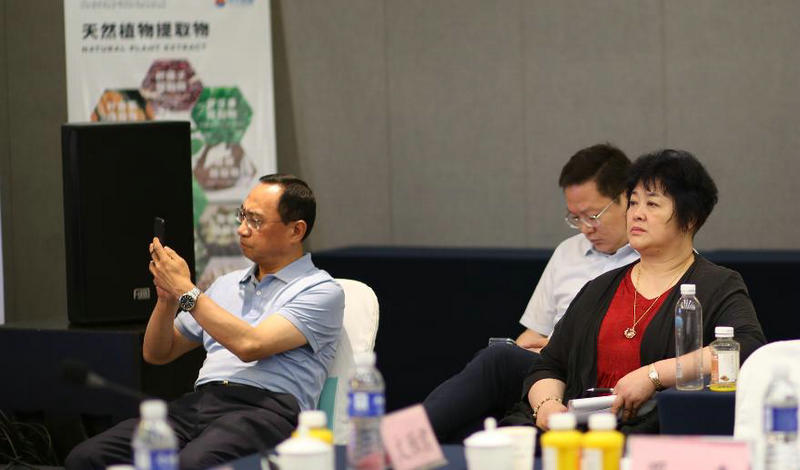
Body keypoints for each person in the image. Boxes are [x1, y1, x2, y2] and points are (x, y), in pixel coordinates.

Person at [66, 174, 345, 469]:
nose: (241, 229)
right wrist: (167, 300)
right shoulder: (225, 285)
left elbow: (251, 345)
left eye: (255, 221)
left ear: (296, 230)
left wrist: (186, 290)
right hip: (201, 402)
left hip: (266, 411)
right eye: (242, 216)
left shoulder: (320, 290)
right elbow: (158, 353)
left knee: (193, 463)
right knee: (86, 458)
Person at [523, 149, 766, 433]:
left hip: (658, 436)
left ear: (689, 219)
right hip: (580, 435)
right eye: (633, 202)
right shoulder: (600, 287)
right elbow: (549, 365)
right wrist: (548, 405)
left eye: (652, 204)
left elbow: (747, 348)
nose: (637, 214)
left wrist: (654, 375)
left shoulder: (717, 284)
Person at [423, 143, 639, 442]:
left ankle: (397, 441)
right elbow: (533, 334)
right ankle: (409, 445)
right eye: (575, 218)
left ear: (628, 199)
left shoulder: (651, 258)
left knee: (497, 361)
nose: (585, 229)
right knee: (473, 413)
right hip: (548, 372)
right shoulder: (568, 252)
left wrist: (558, 347)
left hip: (604, 378)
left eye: (592, 215)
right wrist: (529, 351)